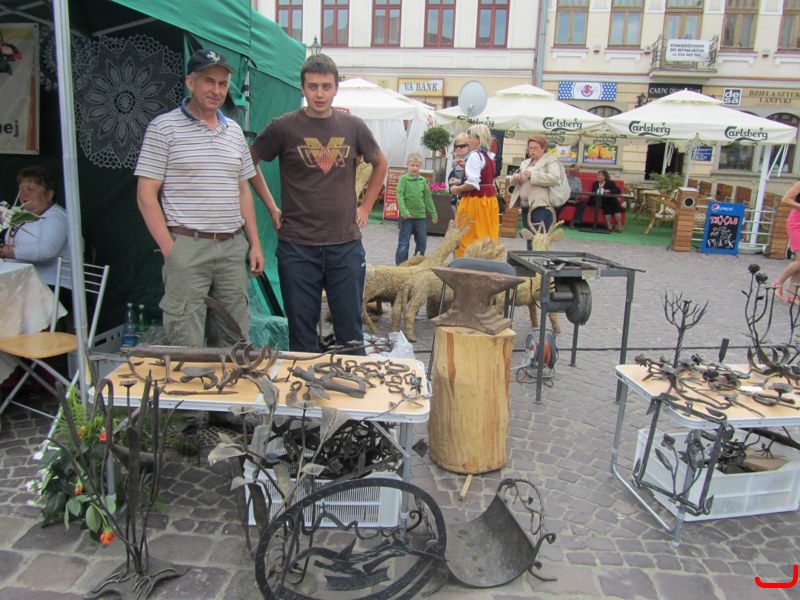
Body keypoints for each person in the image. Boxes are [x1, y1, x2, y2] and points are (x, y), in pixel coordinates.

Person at [250, 54, 388, 353]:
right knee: (301, 334)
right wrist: (271, 206)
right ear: (302, 88)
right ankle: (305, 384)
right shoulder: (283, 127)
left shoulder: (353, 127)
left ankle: (350, 381)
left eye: (326, 86)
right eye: (312, 87)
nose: (320, 94)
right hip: (297, 247)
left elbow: (380, 163)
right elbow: (249, 163)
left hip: (345, 245)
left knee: (350, 333)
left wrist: (366, 207)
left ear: (336, 88)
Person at [135, 48, 265, 347]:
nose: (216, 90)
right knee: (186, 339)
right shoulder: (163, 128)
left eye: (222, 84)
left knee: (235, 336)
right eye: (208, 81)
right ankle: (192, 378)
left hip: (232, 247)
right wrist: (170, 250)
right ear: (190, 82)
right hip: (188, 245)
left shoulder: (234, 132)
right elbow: (145, 195)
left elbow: (243, 190)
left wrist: (255, 243)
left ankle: (233, 379)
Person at [1, 166, 72, 301]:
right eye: (21, 189)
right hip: (22, 281)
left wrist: (6, 252)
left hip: (51, 286)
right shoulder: (23, 215)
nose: (23, 194)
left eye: (30, 189)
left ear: (48, 195)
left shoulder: (56, 218)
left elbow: (47, 251)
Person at [449, 124, 499, 257]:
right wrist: (466, 168)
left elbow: (473, 184)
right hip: (489, 201)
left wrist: (457, 189)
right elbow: (484, 179)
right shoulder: (489, 156)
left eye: (470, 137)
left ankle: (464, 263)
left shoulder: (475, 156)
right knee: (486, 235)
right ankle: (485, 261)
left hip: (475, 201)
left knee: (468, 236)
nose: (468, 140)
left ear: (478, 139)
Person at [508, 135, 561, 247]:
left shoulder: (550, 161)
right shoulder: (525, 162)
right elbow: (517, 180)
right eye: (530, 148)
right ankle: (529, 256)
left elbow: (555, 178)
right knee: (529, 237)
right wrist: (517, 177)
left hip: (541, 205)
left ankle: (539, 256)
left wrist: (533, 175)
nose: (532, 150)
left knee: (540, 238)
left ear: (543, 148)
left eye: (535, 148)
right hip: (526, 205)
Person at [395, 153, 438, 265]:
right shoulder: (403, 179)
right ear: (407, 165)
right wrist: (404, 211)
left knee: (422, 242)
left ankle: (416, 263)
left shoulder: (423, 181)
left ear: (420, 167)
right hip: (407, 218)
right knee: (404, 243)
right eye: (412, 165)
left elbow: (427, 197)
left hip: (420, 217)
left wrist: (433, 213)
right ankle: (401, 265)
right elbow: (399, 195)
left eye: (417, 165)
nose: (415, 168)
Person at [773, 180, 800, 303]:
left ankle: (792, 294)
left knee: (799, 263)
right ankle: (778, 283)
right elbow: (786, 199)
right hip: (797, 222)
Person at [447, 133, 469, 213]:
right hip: (456, 197)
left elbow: (474, 180)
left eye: (462, 146)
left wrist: (458, 181)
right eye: (456, 146)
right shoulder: (455, 160)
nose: (458, 148)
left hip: (466, 198)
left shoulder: (471, 160)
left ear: (468, 146)